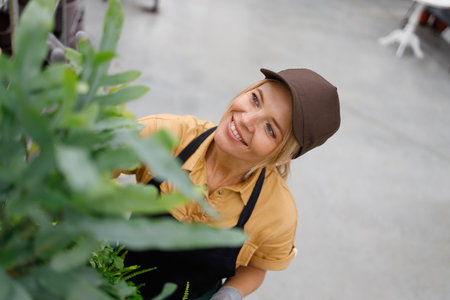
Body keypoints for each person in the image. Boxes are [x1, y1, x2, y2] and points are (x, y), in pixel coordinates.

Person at [118, 68, 341, 300]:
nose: (246, 119)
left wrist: (231, 293)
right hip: (113, 280)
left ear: (284, 157)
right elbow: (90, 164)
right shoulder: (166, 135)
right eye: (256, 99)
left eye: (270, 129)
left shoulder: (278, 214)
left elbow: (255, 267)